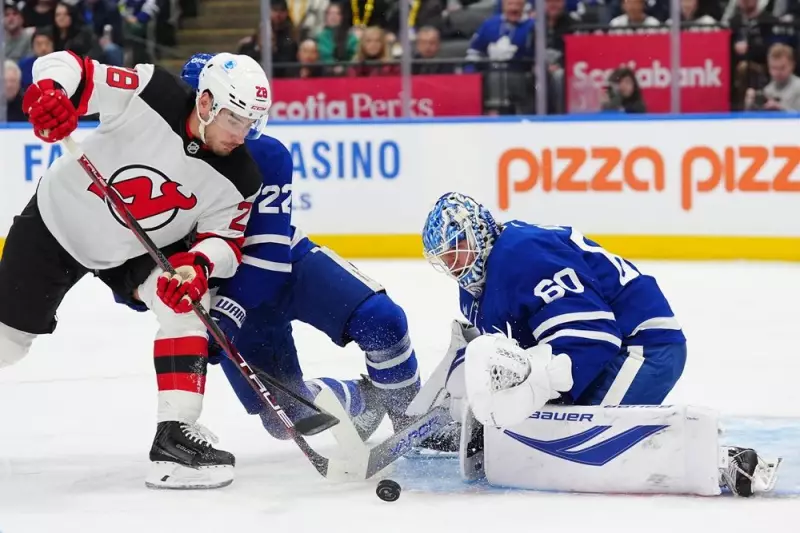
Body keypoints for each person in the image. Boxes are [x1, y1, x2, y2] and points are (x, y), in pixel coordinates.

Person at [0, 50, 269, 489]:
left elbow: (226, 240)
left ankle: (174, 442)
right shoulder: (151, 91)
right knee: (6, 345)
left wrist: (198, 265)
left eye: (251, 124)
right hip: (58, 224)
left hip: (132, 249)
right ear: (206, 104)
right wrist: (52, 92)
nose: (242, 135)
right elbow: (68, 64)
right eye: (235, 120)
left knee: (190, 305)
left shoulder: (241, 176)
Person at [123, 54, 423, 447]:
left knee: (382, 320)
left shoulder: (266, 156)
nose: (242, 131)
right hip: (222, 290)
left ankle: (412, 415)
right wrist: (151, 295)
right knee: (287, 418)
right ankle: (364, 399)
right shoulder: (154, 166)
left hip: (285, 267)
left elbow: (267, 259)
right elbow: (134, 265)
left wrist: (225, 320)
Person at [416, 192, 779, 497]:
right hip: (606, 350)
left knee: (576, 442)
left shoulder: (520, 255)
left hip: (643, 345)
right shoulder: (474, 289)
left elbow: (594, 335)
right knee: (542, 424)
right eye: (444, 255)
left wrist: (542, 385)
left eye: (457, 246)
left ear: (479, 231)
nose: (452, 262)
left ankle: (721, 461)